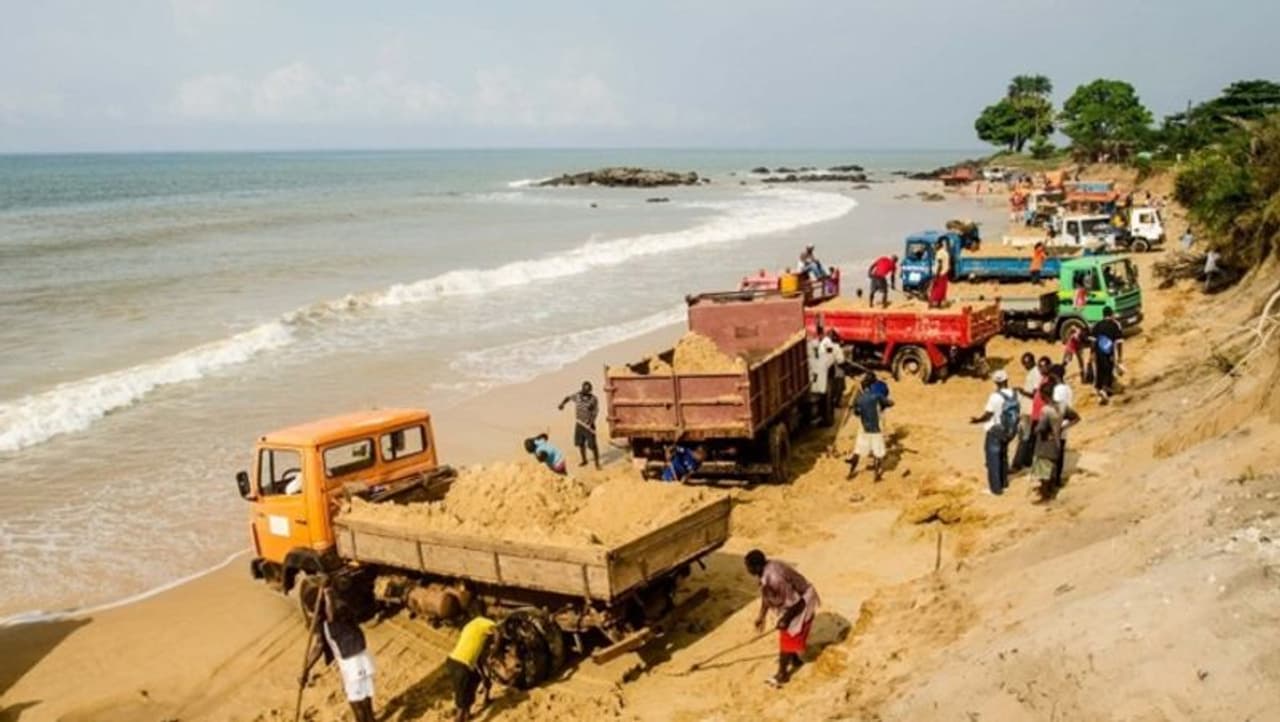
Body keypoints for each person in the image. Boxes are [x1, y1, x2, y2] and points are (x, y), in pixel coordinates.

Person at [301, 583, 376, 722]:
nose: (311, 614)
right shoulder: (328, 617)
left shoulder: (336, 613)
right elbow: (319, 645)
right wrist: (306, 668)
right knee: (365, 699)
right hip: (360, 660)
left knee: (358, 704)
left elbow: (332, 616)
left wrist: (327, 594)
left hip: (353, 663)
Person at [745, 550, 820, 688]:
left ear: (756, 566)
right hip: (791, 604)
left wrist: (785, 619)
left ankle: (782, 674)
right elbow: (767, 596)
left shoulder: (775, 579)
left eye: (748, 567)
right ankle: (795, 659)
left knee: (787, 639)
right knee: (787, 635)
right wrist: (762, 616)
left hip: (802, 601)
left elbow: (797, 602)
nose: (747, 570)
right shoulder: (766, 572)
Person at [970, 369, 1019, 495]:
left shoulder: (995, 397)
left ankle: (995, 489)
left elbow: (988, 415)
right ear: (1006, 380)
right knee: (1003, 456)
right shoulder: (1014, 394)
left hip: (995, 430)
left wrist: (977, 420)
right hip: (1009, 430)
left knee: (993, 459)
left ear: (996, 382)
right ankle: (1004, 482)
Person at [1031, 384, 1080, 502]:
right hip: (1057, 442)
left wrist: (1035, 430)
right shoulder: (1062, 406)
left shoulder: (1046, 410)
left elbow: (1042, 428)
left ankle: (1046, 497)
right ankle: (1051, 491)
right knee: (1052, 469)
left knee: (1043, 472)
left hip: (1045, 443)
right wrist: (1062, 428)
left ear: (1043, 395)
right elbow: (1076, 418)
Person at [445, 615, 498, 722]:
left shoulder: (471, 626)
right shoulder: (485, 622)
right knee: (461, 705)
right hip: (461, 666)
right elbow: (497, 631)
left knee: (474, 679)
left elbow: (477, 660)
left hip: (453, 662)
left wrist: (484, 678)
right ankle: (460, 718)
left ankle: (468, 714)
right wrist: (495, 649)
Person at [846, 375, 893, 481]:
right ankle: (877, 475)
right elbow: (889, 403)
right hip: (876, 425)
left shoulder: (860, 398)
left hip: (864, 426)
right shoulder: (878, 392)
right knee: (878, 451)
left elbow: (856, 412)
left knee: (858, 449)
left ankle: (851, 472)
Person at [558, 381, 600, 469]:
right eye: (584, 389)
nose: (585, 392)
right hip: (579, 424)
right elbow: (568, 398)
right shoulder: (577, 396)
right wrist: (562, 404)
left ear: (590, 391)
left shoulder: (594, 399)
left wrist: (591, 421)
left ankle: (597, 463)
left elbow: (596, 411)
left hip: (589, 425)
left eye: (587, 390)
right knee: (580, 443)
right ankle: (584, 460)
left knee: (592, 445)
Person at [1089, 308, 1124, 404]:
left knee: (1100, 371)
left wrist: (1092, 353)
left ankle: (1100, 390)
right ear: (1111, 314)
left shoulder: (1097, 325)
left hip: (1098, 353)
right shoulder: (1115, 325)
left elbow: (1093, 342)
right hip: (1109, 353)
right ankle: (1104, 391)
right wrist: (1120, 357)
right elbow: (1119, 342)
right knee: (1108, 370)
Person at [820, 329, 847, 402]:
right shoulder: (836, 347)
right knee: (837, 384)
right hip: (832, 372)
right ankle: (836, 401)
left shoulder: (822, 345)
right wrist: (847, 369)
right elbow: (840, 361)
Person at [928, 238, 950, 308]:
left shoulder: (939, 253)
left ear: (939, 245)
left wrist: (936, 275)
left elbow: (940, 264)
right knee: (942, 289)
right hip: (944, 273)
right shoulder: (945, 252)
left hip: (940, 273)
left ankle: (932, 304)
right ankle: (939, 304)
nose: (935, 247)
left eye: (936, 245)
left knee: (935, 289)